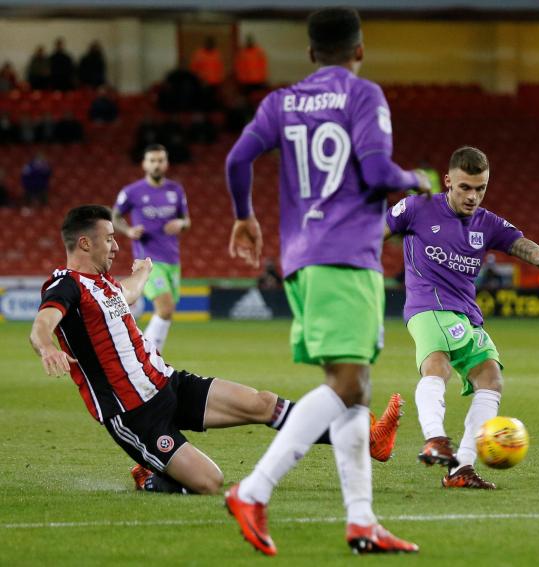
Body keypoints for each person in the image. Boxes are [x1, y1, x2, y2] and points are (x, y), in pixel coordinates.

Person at [222, 7, 430, 556]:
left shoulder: (281, 102)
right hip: (344, 257)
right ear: (359, 50)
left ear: (311, 53)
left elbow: (238, 157)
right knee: (346, 386)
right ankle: (253, 489)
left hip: (301, 259)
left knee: (354, 389)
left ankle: (362, 521)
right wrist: (419, 180)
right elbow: (380, 172)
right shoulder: (363, 96)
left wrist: (244, 214)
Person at [29, 205, 405, 496]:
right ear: (84, 243)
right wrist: (47, 347)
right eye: (109, 238)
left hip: (169, 383)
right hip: (135, 414)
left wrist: (142, 273)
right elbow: (43, 324)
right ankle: (150, 473)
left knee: (262, 402)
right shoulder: (66, 286)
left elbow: (126, 295)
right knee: (210, 482)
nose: (115, 245)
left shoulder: (105, 284)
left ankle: (367, 439)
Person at [386, 146, 539, 490]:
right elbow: (371, 235)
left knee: (491, 378)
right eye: (465, 187)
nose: (473, 196)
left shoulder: (488, 223)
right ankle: (435, 438)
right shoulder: (416, 208)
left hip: (466, 314)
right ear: (448, 181)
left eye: (480, 188)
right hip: (427, 307)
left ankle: (462, 469)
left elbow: (538, 254)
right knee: (437, 366)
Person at [112, 145, 189, 354]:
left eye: (160, 160)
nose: (157, 164)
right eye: (152, 160)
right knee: (164, 308)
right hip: (148, 260)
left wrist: (180, 224)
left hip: (173, 259)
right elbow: (114, 216)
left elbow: (186, 220)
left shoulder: (176, 190)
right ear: (144, 164)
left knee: (168, 311)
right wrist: (127, 231)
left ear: (166, 163)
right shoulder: (132, 192)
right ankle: (145, 355)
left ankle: (147, 355)